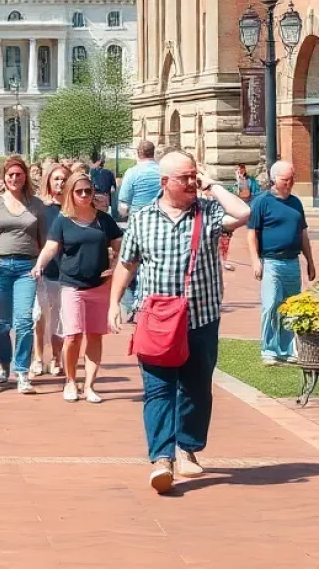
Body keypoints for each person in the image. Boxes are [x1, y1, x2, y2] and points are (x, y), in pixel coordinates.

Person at [108, 151, 251, 494]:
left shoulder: (209, 212)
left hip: (200, 317)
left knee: (196, 387)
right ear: (164, 183)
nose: (190, 183)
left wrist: (211, 184)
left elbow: (244, 212)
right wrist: (114, 302)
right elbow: (127, 264)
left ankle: (187, 448)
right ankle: (161, 458)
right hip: (156, 319)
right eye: (184, 178)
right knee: (158, 389)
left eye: (193, 176)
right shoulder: (142, 219)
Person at [35, 170, 121, 403]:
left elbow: (120, 244)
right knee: (72, 335)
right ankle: (70, 381)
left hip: (99, 285)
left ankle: (90, 385)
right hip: (72, 285)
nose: (84, 195)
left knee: (95, 335)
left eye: (88, 191)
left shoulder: (104, 220)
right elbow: (51, 247)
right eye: (79, 191)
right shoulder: (63, 221)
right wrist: (39, 265)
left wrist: (114, 264)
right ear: (71, 193)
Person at [0, 154, 46, 394]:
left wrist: (40, 263)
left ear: (25, 176)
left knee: (25, 321)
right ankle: (4, 364)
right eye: (10, 175)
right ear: (4, 178)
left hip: (26, 268)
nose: (15, 178)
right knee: (2, 323)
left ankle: (23, 370)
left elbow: (45, 240)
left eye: (19, 174)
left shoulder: (36, 205)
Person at [247, 160, 316, 365]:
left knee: (289, 307)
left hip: (292, 262)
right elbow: (252, 234)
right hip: (271, 262)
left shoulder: (295, 202)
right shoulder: (262, 202)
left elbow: (303, 234)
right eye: (286, 179)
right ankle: (269, 350)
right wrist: (255, 261)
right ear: (274, 179)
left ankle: (287, 349)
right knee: (270, 305)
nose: (290, 182)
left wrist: (310, 262)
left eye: (292, 178)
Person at [117, 140, 162, 317]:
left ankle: (130, 305)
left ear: (138, 153)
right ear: (153, 153)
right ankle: (147, 302)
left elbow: (123, 204)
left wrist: (124, 214)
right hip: (160, 222)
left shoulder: (132, 173)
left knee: (128, 262)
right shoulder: (161, 172)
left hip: (137, 223)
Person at [33, 163, 67, 377]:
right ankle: (37, 357)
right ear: (48, 181)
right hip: (42, 270)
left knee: (60, 318)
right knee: (38, 316)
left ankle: (56, 357)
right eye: (56, 179)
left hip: (65, 272)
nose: (60, 183)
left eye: (64, 179)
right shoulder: (41, 208)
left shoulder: (72, 209)